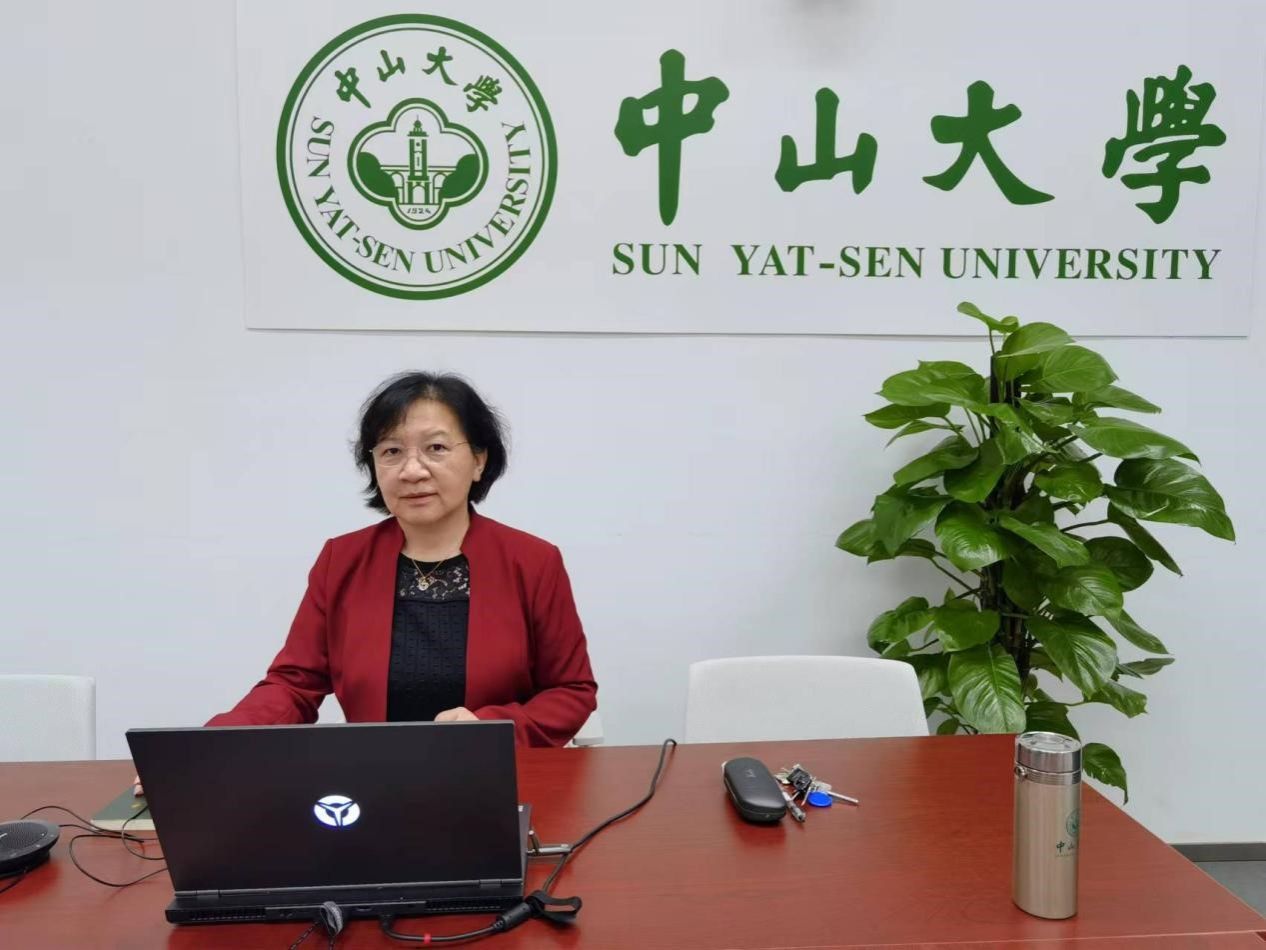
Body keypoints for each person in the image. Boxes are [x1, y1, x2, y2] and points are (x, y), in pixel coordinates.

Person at [205, 373, 597, 742]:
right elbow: (294, 684)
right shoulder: (342, 560)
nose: (412, 471)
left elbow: (571, 690)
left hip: (494, 775)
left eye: (436, 448)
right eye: (392, 451)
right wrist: (219, 738)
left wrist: (491, 728)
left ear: (479, 460)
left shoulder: (532, 561)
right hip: (374, 776)